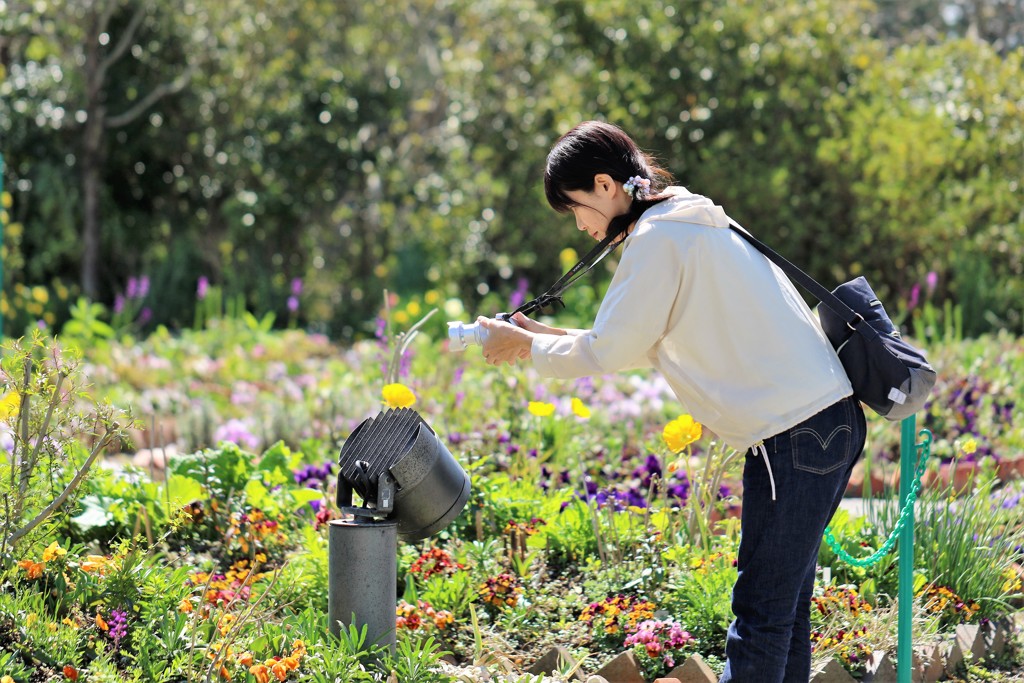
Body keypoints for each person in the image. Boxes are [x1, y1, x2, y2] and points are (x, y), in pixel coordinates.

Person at [478, 120, 866, 682]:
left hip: (796, 435)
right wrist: (535, 339)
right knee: (782, 611)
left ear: (606, 186)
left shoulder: (658, 238)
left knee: (760, 614)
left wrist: (529, 347)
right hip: (822, 424)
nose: (582, 225)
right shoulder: (689, 219)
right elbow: (638, 342)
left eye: (576, 207)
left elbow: (610, 351)